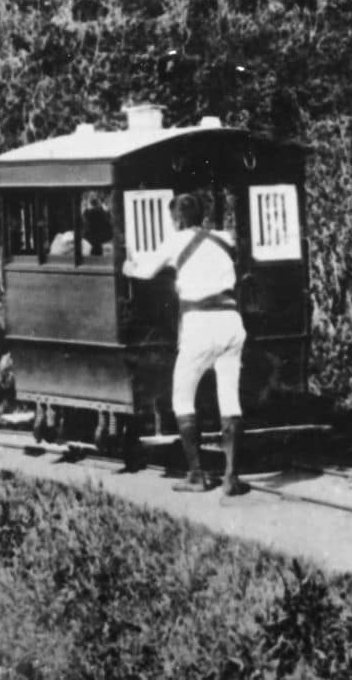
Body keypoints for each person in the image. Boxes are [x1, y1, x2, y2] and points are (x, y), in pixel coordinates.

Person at [122, 193, 249, 496]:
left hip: (200, 324)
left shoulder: (175, 241)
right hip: (231, 322)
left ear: (177, 219)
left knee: (182, 398)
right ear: (202, 216)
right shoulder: (223, 237)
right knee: (230, 399)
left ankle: (196, 474)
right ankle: (231, 476)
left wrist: (128, 266)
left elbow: (145, 271)